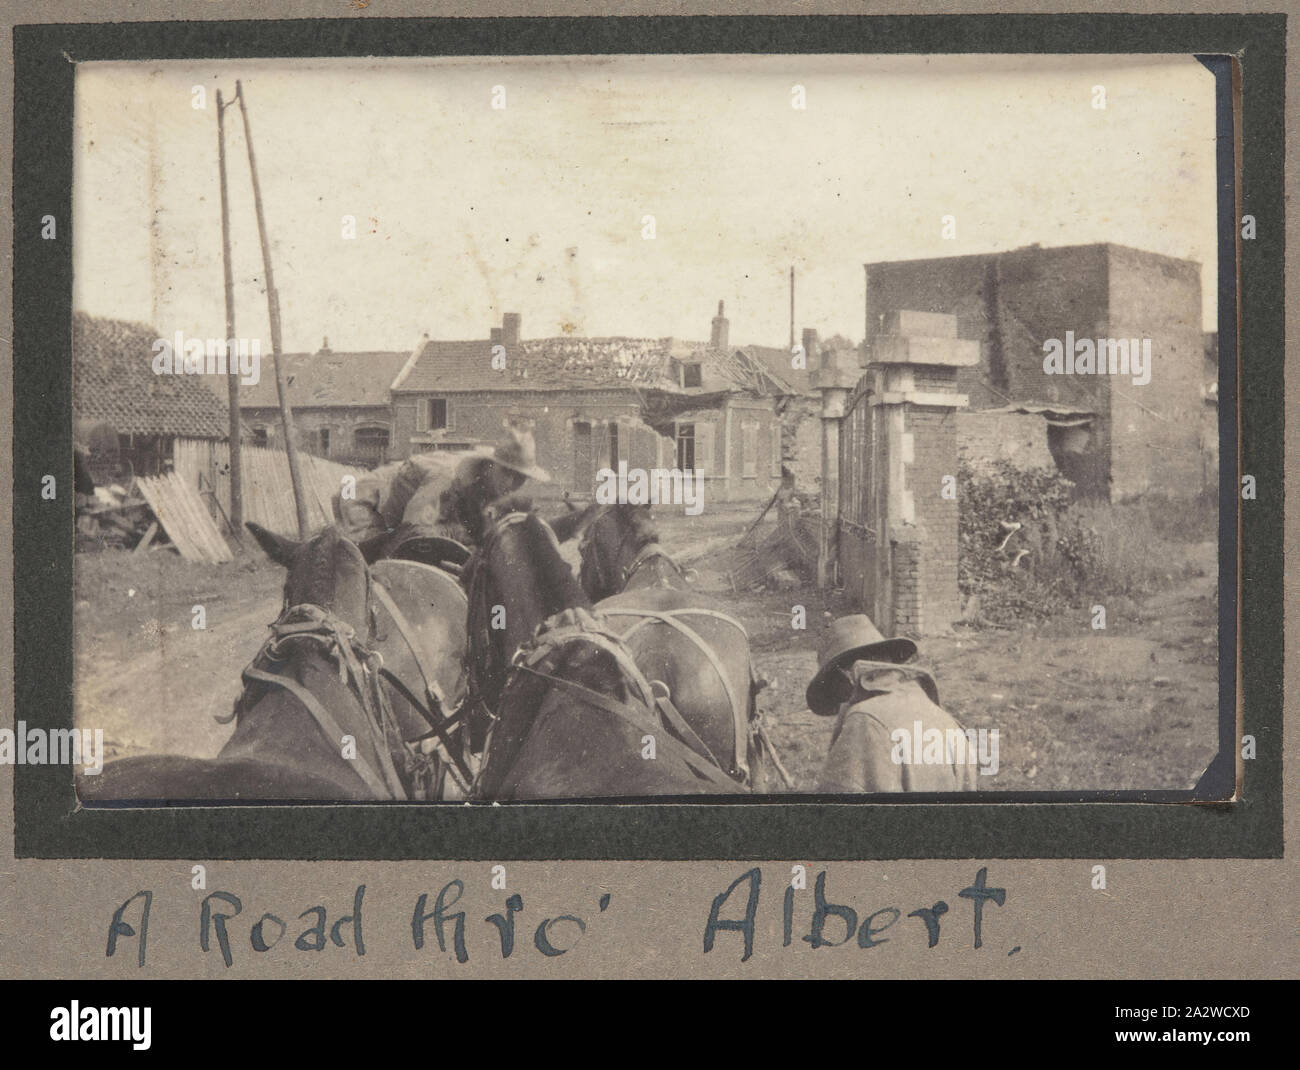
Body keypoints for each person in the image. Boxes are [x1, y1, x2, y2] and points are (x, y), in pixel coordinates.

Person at [808, 614, 979, 792]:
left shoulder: (865, 722)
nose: (840, 703)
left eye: (831, 684)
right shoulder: (945, 719)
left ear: (844, 676)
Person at [334, 426, 551, 552]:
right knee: (366, 568)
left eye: (521, 478)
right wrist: (458, 534)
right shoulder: (448, 477)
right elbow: (413, 532)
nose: (512, 485)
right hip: (365, 503)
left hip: (398, 515)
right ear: (492, 465)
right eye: (508, 473)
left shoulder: (484, 483)